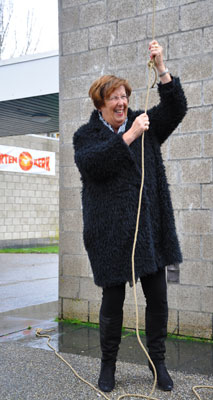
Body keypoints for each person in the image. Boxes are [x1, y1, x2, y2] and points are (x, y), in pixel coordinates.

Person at [73, 40, 187, 393]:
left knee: (158, 299)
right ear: (101, 104)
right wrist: (129, 136)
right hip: (109, 233)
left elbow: (176, 107)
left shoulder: (145, 123)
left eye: (124, 96)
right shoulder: (85, 136)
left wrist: (161, 66)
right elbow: (93, 166)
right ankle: (108, 366)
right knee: (112, 303)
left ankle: (158, 364)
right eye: (115, 98)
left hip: (148, 230)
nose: (122, 102)